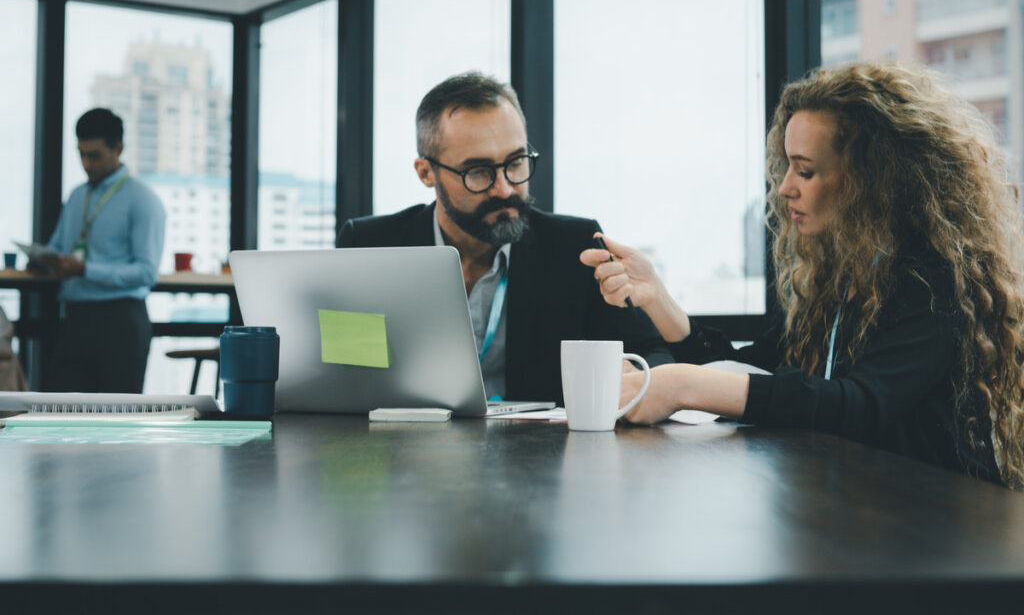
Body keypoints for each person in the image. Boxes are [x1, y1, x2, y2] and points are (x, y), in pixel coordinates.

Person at [582, 62, 1024, 489]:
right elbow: (752, 370)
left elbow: (859, 405)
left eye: (805, 170)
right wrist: (658, 300)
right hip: (860, 515)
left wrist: (682, 385)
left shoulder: (934, 279)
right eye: (787, 166)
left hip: (939, 533)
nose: (784, 187)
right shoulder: (836, 278)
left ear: (870, 181)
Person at [338, 72, 671, 404]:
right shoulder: (368, 247)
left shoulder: (575, 247)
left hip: (540, 451)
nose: (505, 188)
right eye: (478, 172)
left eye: (515, 162)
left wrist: (632, 377)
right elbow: (344, 372)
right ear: (426, 173)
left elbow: (653, 353)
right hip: (408, 448)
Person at [41, 108, 166, 393]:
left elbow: (146, 272)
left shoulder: (142, 201)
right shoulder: (77, 196)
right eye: (81, 154)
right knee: (62, 417)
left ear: (118, 148)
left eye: (94, 155)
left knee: (117, 421)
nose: (86, 163)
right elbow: (59, 247)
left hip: (120, 322)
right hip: (74, 319)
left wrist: (85, 269)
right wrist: (44, 259)